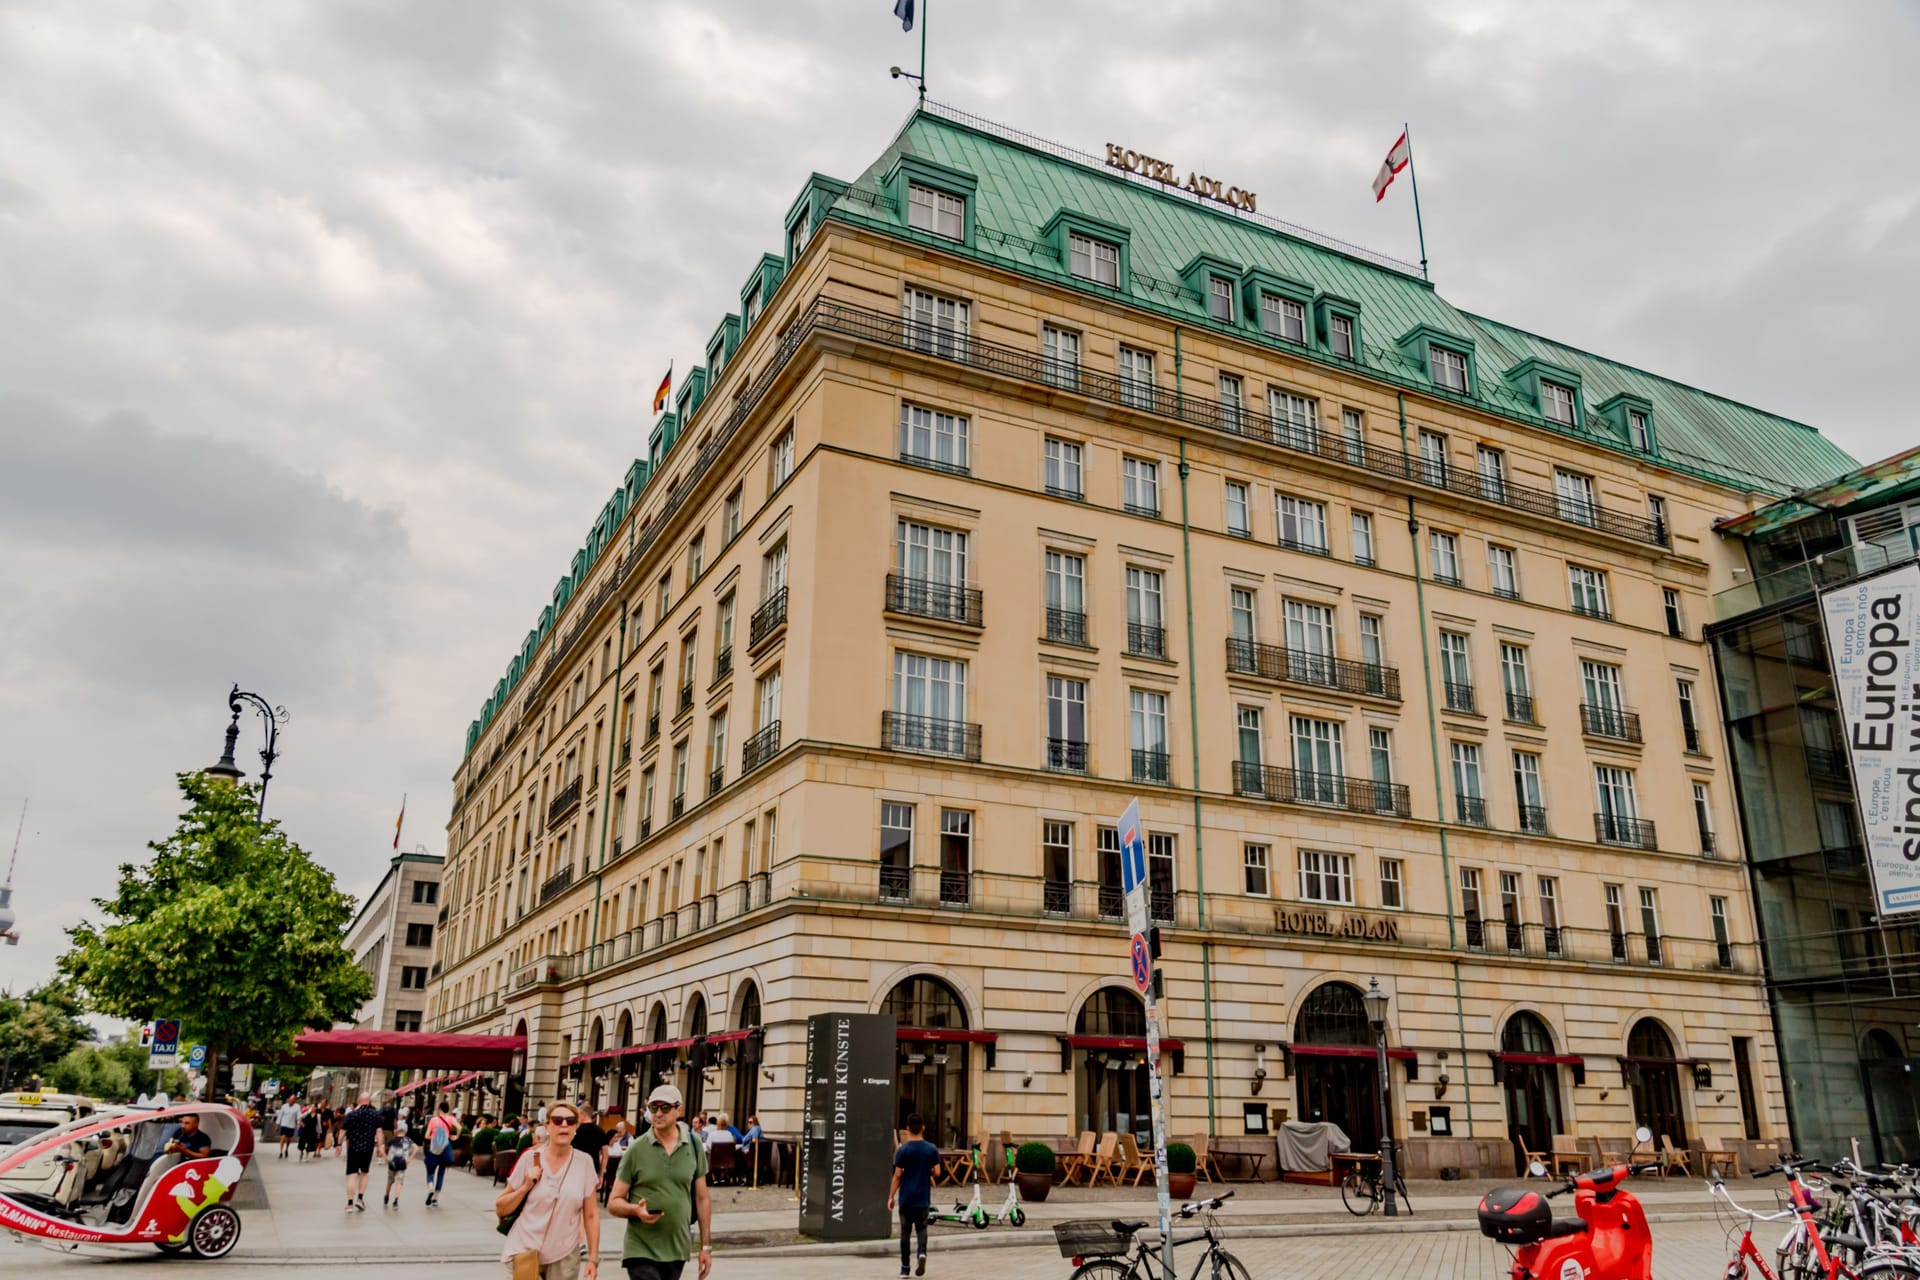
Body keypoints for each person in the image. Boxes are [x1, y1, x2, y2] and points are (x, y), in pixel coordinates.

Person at [609, 1084, 711, 1280]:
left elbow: (702, 1198)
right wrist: (635, 1211)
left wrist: (706, 1246)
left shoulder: (694, 1144)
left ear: (678, 1110)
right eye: (653, 1107)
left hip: (676, 1247)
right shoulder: (636, 1149)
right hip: (641, 1247)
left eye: (665, 1108)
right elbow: (614, 1202)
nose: (658, 1113)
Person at [497, 1099, 601, 1280]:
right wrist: (526, 1187)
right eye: (557, 1120)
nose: (564, 1125)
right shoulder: (530, 1158)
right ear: (547, 1126)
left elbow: (591, 1215)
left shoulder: (584, 1162)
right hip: (526, 1248)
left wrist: (593, 1258)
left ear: (576, 1127)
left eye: (570, 1121)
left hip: (564, 1253)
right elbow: (501, 1207)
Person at [887, 1113, 940, 1279]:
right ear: (923, 1127)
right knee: (922, 1228)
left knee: (905, 1232)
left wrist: (891, 1196)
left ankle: (904, 1268)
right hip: (923, 1197)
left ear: (908, 1128)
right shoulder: (931, 1149)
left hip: (906, 1197)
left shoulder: (903, 1150)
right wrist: (927, 1170)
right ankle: (922, 1253)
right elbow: (937, 1172)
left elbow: (897, 1175)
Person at [342, 1091, 385, 1212]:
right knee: (364, 1173)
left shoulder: (352, 1114)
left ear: (359, 1101)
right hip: (367, 1148)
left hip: (353, 1148)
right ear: (369, 1101)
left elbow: (343, 1130)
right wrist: (380, 1146)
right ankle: (360, 1199)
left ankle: (349, 1203)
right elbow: (379, 1132)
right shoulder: (375, 1114)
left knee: (352, 1175)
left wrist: (338, 1144)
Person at [422, 1100, 460, 1208]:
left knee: (430, 1172)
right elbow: (460, 1128)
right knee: (441, 1173)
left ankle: (430, 1188)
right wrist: (456, 1136)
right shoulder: (451, 1119)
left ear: (439, 1109)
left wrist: (434, 1137)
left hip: (434, 1149)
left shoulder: (433, 1120)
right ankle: (435, 1198)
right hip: (445, 1149)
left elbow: (426, 1136)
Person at [383, 1123, 413, 1209]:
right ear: (406, 1131)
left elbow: (381, 1147)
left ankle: (386, 1196)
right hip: (402, 1163)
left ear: (396, 1130)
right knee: (399, 1182)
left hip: (392, 1163)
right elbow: (416, 1148)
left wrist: (386, 1157)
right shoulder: (408, 1140)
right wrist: (410, 1158)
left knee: (390, 1182)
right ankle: (396, 1201)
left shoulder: (392, 1140)